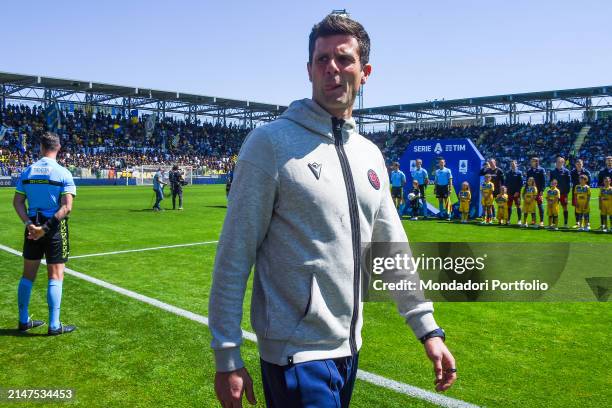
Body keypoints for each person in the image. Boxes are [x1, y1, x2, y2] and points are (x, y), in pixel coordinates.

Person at [209, 14, 456, 408]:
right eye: (322, 60)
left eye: (343, 59)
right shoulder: (270, 144)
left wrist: (428, 330)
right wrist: (227, 357)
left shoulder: (370, 154)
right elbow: (234, 255)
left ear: (365, 71)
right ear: (308, 69)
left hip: (349, 349)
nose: (332, 69)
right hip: (295, 355)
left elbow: (392, 249)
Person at [12, 132, 77, 335]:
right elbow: (67, 207)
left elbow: (17, 202)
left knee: (27, 275)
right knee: (55, 276)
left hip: (32, 227)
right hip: (54, 228)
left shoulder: (28, 171)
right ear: (58, 148)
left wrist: (30, 224)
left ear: (41, 147)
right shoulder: (63, 173)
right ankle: (54, 325)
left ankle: (23, 321)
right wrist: (45, 229)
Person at [549, 157, 571, 228]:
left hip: (564, 193)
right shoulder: (552, 172)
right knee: (554, 208)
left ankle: (565, 223)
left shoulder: (566, 171)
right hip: (554, 195)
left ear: (563, 163)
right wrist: (551, 192)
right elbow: (550, 182)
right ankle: (553, 224)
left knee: (565, 207)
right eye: (557, 162)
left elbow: (568, 183)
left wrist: (567, 193)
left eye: (560, 162)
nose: (558, 163)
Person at [570, 159, 591, 229]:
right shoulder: (572, 172)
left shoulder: (586, 172)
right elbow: (571, 181)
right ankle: (577, 222)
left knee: (586, 207)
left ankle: (587, 223)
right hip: (576, 192)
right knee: (577, 207)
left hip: (584, 193)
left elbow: (589, 182)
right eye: (577, 164)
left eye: (580, 164)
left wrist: (583, 187)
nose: (579, 165)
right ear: (575, 165)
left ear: (582, 164)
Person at [526, 157, 546, 228]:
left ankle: (541, 221)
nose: (532, 163)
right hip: (530, 192)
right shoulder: (529, 171)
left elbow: (544, 181)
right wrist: (526, 190)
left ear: (537, 162)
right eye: (532, 161)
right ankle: (533, 220)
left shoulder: (541, 170)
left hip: (538, 191)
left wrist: (542, 191)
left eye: (534, 161)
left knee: (540, 206)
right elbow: (527, 182)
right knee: (532, 206)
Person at [505, 160, 523, 225]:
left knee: (518, 206)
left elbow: (521, 184)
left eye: (514, 164)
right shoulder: (507, 173)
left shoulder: (519, 173)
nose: (512, 165)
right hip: (509, 193)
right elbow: (506, 183)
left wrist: (518, 191)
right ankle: (508, 220)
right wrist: (505, 191)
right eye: (511, 164)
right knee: (509, 206)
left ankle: (519, 220)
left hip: (517, 193)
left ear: (516, 165)